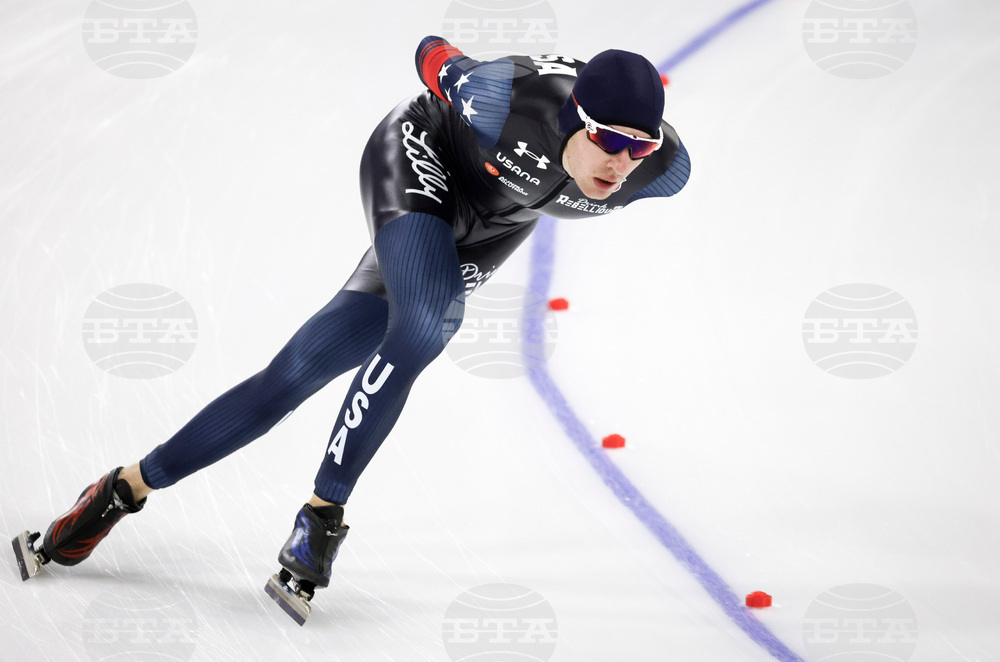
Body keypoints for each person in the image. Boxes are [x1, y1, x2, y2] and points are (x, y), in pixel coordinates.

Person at [11, 35, 691, 624]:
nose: (620, 162)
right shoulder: (503, 101)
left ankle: (120, 489)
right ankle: (321, 520)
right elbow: (430, 49)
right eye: (606, 139)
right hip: (420, 156)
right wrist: (456, 75)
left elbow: (638, 159)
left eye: (638, 146)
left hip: (492, 228)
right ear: (575, 117)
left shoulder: (662, 171)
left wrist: (630, 149)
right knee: (427, 322)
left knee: (299, 369)